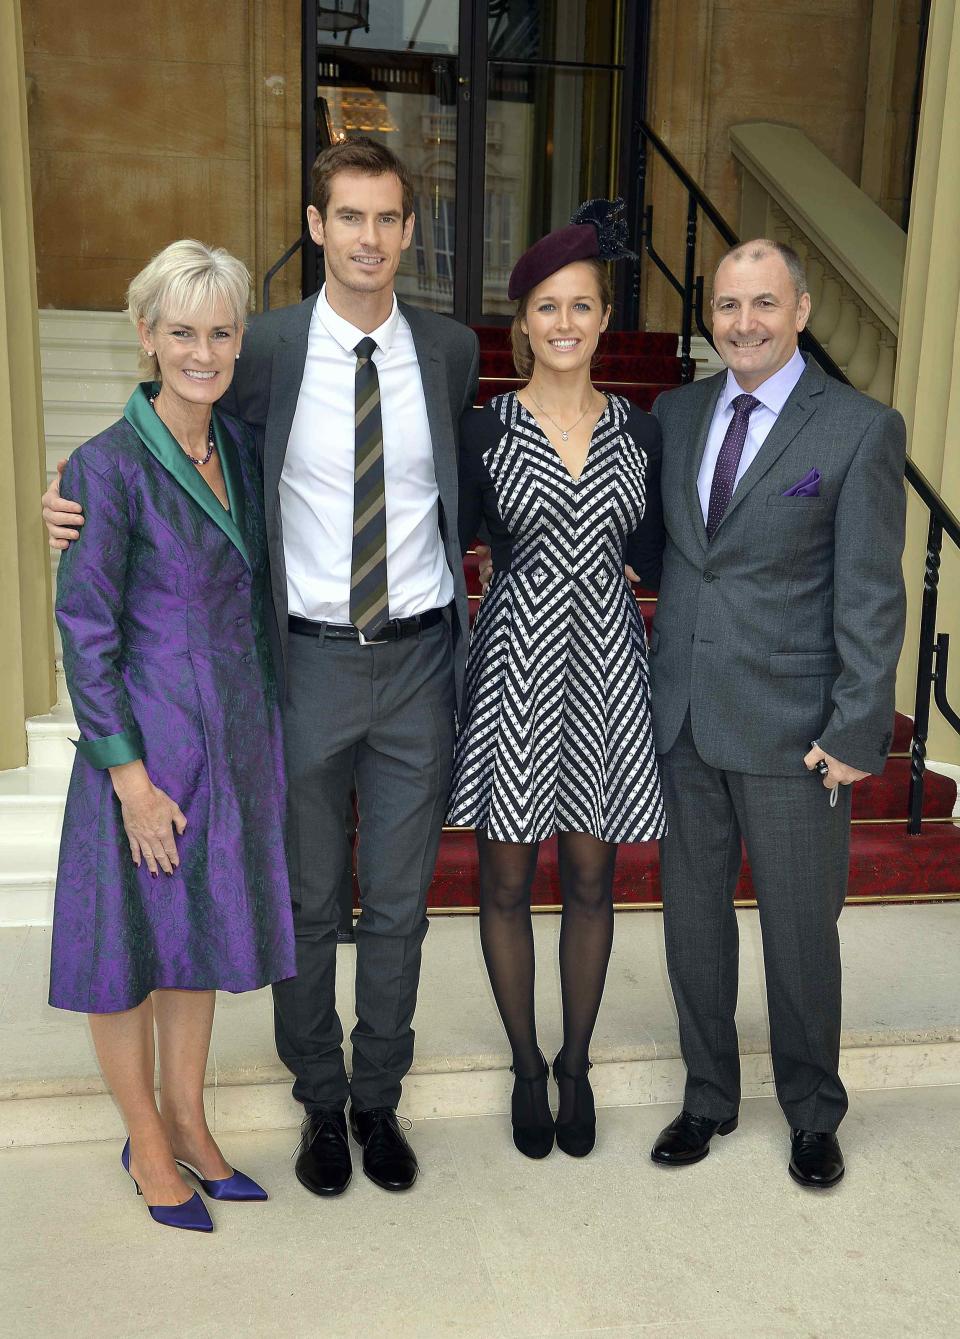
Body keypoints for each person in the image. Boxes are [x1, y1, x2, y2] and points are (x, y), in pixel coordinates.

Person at [45, 138, 479, 1197]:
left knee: (401, 902)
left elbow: (461, 493)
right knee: (307, 899)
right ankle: (319, 1102)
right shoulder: (267, 351)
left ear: (409, 231)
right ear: (318, 225)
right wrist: (74, 505)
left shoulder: (453, 351)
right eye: (350, 217)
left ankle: (378, 1097)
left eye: (389, 218)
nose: (370, 238)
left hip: (418, 661)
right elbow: (158, 447)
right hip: (305, 666)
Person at [647, 239, 906, 1187]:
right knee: (692, 925)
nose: (743, 323)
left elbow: (873, 595)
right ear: (709, 315)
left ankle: (812, 1110)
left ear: (800, 309)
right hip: (682, 716)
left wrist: (852, 730)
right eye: (726, 306)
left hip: (797, 731)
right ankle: (708, 1096)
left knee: (801, 929)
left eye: (763, 303)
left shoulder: (858, 428)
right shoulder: (674, 415)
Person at [49, 240, 296, 1231]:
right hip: (145, 756)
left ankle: (190, 1121)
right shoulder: (104, 468)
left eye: (221, 331)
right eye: (181, 330)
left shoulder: (240, 447)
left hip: (232, 745)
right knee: (129, 954)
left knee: (197, 939)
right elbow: (86, 628)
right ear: (146, 334)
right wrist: (128, 778)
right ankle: (145, 1137)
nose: (202, 350)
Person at [448, 200, 666, 1159]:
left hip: (609, 672)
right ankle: (525, 1063)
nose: (565, 324)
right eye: (546, 308)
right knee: (504, 879)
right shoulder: (484, 430)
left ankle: (576, 1062)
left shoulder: (644, 433)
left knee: (589, 875)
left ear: (603, 318)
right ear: (521, 323)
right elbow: (436, 536)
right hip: (517, 670)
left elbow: (658, 553)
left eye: (581, 306)